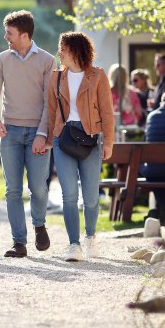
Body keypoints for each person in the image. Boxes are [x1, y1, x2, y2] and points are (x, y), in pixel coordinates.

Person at [0, 10, 54, 258]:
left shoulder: (47, 61)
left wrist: (42, 133)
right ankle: (19, 242)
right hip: (10, 133)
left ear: (25, 35)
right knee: (12, 190)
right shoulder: (2, 60)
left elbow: (50, 102)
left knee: (38, 187)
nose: (6, 37)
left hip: (38, 132)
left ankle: (39, 224)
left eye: (10, 33)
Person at [46, 31, 115, 262]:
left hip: (90, 139)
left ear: (75, 50)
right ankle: (73, 245)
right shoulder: (55, 77)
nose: (59, 53)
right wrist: (49, 139)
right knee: (69, 195)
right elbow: (52, 111)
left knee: (91, 196)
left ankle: (91, 237)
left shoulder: (97, 76)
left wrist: (108, 142)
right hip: (63, 138)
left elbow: (107, 112)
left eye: (63, 48)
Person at [140, 91, 165, 224]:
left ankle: (161, 208)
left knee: (157, 172)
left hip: (151, 170)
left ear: (161, 102)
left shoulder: (151, 116)